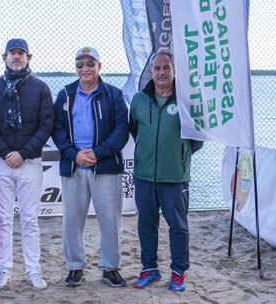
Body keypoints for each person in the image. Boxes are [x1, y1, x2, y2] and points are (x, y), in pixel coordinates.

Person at [52, 47, 129, 288]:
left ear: (99, 66)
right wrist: (75, 155)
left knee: (110, 220)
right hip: (75, 166)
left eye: (90, 63)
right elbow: (57, 130)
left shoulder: (114, 95)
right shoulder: (65, 94)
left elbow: (121, 131)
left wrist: (97, 152)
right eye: (79, 64)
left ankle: (110, 268)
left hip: (104, 165)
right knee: (72, 220)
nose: (84, 68)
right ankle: (75, 267)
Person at [129, 47, 203, 292]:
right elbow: (135, 130)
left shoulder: (187, 100)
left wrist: (178, 157)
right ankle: (149, 269)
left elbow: (197, 139)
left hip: (175, 178)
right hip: (144, 177)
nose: (162, 72)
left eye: (166, 67)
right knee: (146, 224)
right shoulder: (139, 99)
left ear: (174, 71)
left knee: (178, 226)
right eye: (157, 68)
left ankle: (178, 272)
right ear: (150, 72)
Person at [0, 38, 53, 290]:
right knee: (3, 220)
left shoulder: (41, 88)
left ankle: (33, 270)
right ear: (4, 58)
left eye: (21, 53)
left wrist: (23, 153)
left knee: (30, 219)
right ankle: (3, 270)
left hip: (30, 163)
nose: (16, 57)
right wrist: (4, 152)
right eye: (12, 53)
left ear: (28, 58)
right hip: (1, 163)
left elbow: (46, 126)